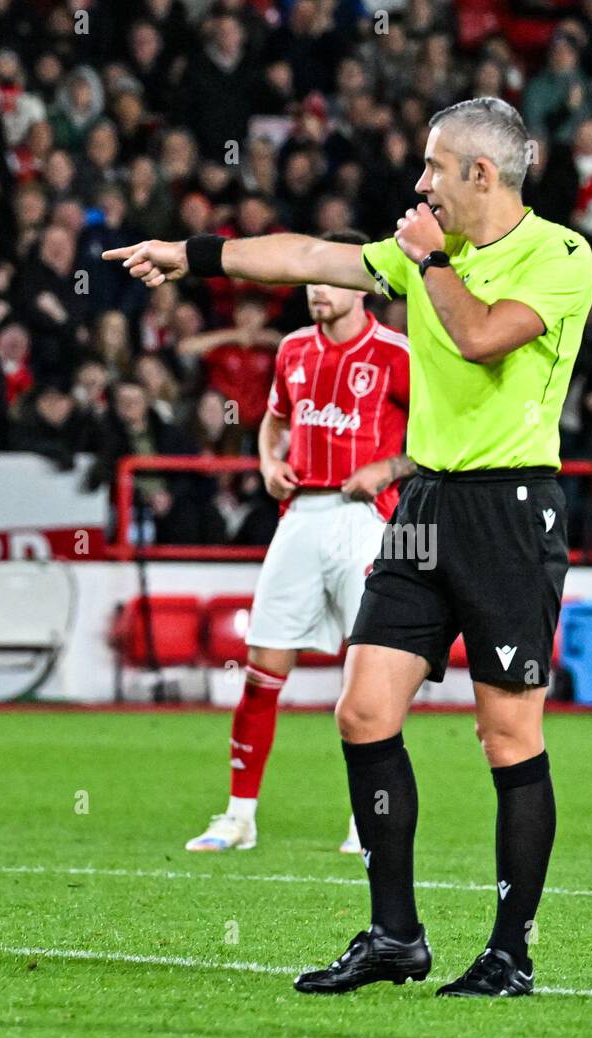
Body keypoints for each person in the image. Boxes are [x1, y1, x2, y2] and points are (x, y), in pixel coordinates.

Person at [106, 96, 592, 997]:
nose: (420, 185)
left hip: (510, 509)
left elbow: (481, 339)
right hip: (425, 505)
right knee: (363, 713)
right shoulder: (422, 257)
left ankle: (509, 953)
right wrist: (191, 256)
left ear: (480, 176)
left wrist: (427, 259)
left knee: (506, 734)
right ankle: (394, 935)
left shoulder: (560, 254)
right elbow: (304, 254)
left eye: (434, 168)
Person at [182, 230, 411, 856]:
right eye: (310, 279)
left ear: (364, 285)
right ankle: (238, 816)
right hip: (301, 514)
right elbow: (275, 418)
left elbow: (445, 438)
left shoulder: (397, 352)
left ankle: (367, 820)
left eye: (329, 279)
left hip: (367, 521)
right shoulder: (291, 350)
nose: (315, 289)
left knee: (369, 680)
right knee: (262, 669)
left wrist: (389, 469)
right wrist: (265, 462)